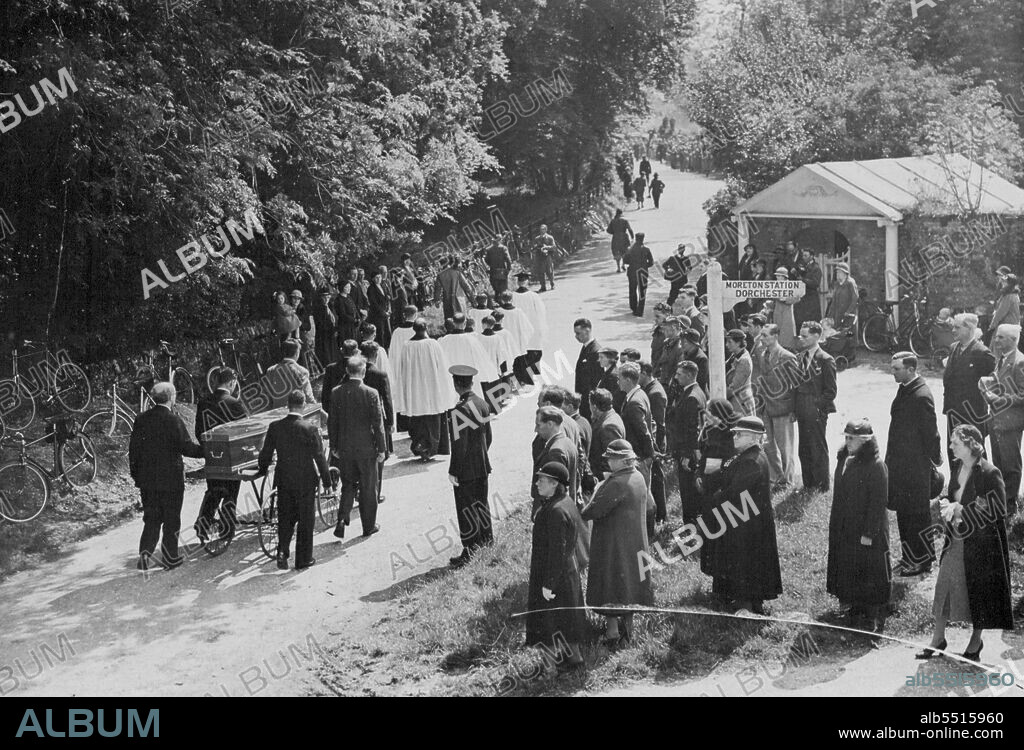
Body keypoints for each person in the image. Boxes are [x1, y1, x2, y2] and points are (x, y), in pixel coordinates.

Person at [917, 425, 1013, 662]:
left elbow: (998, 508)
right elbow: (954, 494)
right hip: (957, 537)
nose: (950, 447)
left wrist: (961, 510)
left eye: (955, 443)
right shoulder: (958, 467)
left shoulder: (990, 473)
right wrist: (947, 502)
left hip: (981, 545)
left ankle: (975, 643)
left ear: (971, 444)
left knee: (978, 593)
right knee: (944, 585)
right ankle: (938, 639)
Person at [582, 439, 654, 648]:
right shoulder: (638, 477)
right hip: (635, 542)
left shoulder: (616, 483)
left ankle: (613, 631)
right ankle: (628, 629)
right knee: (630, 583)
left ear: (622, 461)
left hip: (612, 544)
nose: (608, 463)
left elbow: (592, 511)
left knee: (610, 584)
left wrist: (595, 492)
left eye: (611, 459)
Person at [709, 416, 782, 614]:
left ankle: (745, 604)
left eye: (739, 434)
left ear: (753, 438)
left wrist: (717, 497)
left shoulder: (751, 462)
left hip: (747, 523)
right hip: (748, 519)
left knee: (745, 561)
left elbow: (734, 492)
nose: (734, 437)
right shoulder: (752, 456)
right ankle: (750, 601)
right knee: (749, 562)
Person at [129, 382, 205, 571]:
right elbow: (186, 447)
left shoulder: (141, 420)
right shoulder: (174, 420)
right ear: (172, 397)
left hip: (147, 481)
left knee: (151, 518)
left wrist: (137, 475)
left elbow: (134, 451)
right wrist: (207, 451)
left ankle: (145, 556)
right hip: (171, 480)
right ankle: (170, 558)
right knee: (171, 519)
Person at [827, 419, 890, 632]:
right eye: (846, 438)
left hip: (867, 530)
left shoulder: (876, 465)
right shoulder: (845, 459)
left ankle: (872, 614)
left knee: (870, 571)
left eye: (852, 438)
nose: (848, 442)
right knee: (851, 566)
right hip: (847, 526)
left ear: (865, 441)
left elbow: (878, 503)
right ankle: (855, 606)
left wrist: (869, 533)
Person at [258, 390, 332, 569]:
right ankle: (303, 559)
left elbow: (265, 454)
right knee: (306, 520)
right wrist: (328, 481)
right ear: (304, 405)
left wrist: (262, 468)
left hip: (283, 479)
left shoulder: (275, 427)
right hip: (306, 480)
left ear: (287, 406)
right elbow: (319, 457)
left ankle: (282, 551)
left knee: (286, 517)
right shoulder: (310, 428)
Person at [526, 461, 587, 673]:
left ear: (554, 484)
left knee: (548, 621)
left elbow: (556, 550)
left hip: (553, 573)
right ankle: (576, 659)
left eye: (541, 480)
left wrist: (548, 584)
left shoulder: (554, 512)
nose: (537, 483)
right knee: (569, 618)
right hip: (568, 571)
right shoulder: (565, 502)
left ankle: (549, 669)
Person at [886, 351, 942, 577]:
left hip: (915, 468)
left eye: (896, 369)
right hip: (901, 466)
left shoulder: (921, 395)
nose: (893, 372)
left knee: (918, 515)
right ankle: (909, 556)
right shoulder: (906, 388)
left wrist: (934, 460)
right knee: (904, 512)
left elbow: (932, 434)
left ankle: (923, 560)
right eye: (892, 368)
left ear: (910, 369)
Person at [329, 355, 387, 538]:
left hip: (345, 447)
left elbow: (332, 422)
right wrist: (382, 448)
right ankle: (368, 526)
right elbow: (378, 425)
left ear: (347, 371)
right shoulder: (371, 393)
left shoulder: (336, 392)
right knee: (369, 487)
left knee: (348, 485)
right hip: (366, 448)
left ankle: (341, 518)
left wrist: (334, 445)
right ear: (363, 372)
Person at [447, 365, 494, 568]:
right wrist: (481, 455)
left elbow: (460, 445)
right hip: (482, 465)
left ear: (456, 384)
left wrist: (454, 470)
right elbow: (489, 437)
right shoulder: (482, 403)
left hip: (466, 469)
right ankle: (486, 541)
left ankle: (470, 549)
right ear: (471, 383)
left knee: (466, 509)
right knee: (482, 504)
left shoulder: (460, 409)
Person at [193, 367, 247, 542]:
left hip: (212, 455)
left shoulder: (203, 402)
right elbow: (245, 430)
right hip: (231, 456)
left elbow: (198, 431)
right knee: (231, 493)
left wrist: (208, 447)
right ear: (231, 383)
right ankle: (226, 531)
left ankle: (203, 523)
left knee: (213, 490)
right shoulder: (234, 403)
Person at [395, 319, 456, 460]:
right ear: (426, 328)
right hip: (431, 387)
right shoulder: (433, 344)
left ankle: (421, 447)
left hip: (414, 389)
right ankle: (430, 448)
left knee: (418, 419)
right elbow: (442, 366)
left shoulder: (407, 346)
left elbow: (403, 369)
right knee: (433, 419)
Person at [942, 313, 995, 468]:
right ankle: (956, 490)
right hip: (953, 412)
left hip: (972, 415)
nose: (953, 330)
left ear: (970, 329)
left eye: (957, 327)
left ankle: (978, 490)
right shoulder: (953, 348)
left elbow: (994, 383)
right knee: (954, 450)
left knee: (973, 453)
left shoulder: (982, 353)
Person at [984, 324, 1024, 516]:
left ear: (1013, 340)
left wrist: (999, 399)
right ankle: (1000, 501)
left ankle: (1010, 504)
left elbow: (1023, 395)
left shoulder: (1019, 362)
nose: (996, 340)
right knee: (998, 462)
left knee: (1010, 465)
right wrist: (988, 382)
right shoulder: (1001, 359)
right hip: (996, 420)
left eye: (1001, 338)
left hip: (1010, 423)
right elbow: (1000, 380)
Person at [794, 321, 837, 491]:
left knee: (817, 447)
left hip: (816, 410)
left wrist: (816, 406)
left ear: (816, 336)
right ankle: (808, 483)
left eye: (805, 336)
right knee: (803, 447)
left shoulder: (826, 359)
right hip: (802, 409)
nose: (801, 339)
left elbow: (831, 391)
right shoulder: (802, 356)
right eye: (800, 335)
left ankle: (822, 486)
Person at [756, 324, 798, 489]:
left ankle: (787, 480)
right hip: (766, 407)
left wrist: (793, 410)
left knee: (785, 446)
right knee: (769, 445)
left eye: (765, 335)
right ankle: (776, 477)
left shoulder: (787, 357)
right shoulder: (762, 354)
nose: (762, 339)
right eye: (761, 335)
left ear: (775, 337)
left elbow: (795, 386)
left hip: (783, 408)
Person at [697, 399, 736, 573]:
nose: (706, 415)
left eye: (710, 412)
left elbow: (732, 465)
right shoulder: (710, 430)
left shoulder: (732, 435)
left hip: (721, 490)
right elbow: (703, 456)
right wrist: (699, 474)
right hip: (707, 487)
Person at [667, 361, 706, 525]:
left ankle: (691, 526)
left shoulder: (691, 397)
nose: (676, 377)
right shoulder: (697, 392)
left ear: (690, 376)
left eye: (679, 374)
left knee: (688, 492)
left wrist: (686, 455)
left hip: (688, 454)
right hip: (689, 452)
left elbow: (692, 430)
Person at [360, 340, 394, 502]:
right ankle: (375, 491)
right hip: (376, 417)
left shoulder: (355, 371)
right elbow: (387, 400)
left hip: (359, 418)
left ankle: (361, 489)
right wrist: (391, 421)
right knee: (380, 456)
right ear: (377, 354)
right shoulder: (380, 375)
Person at [439, 313, 499, 399]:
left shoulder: (444, 341)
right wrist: (491, 372)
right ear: (464, 323)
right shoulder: (472, 340)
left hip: (451, 377)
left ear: (453, 323)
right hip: (469, 377)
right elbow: (482, 359)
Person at [639, 361, 668, 523]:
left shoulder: (655, 393)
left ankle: (661, 516)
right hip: (652, 444)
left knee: (656, 480)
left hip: (654, 445)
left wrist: (654, 449)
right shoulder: (649, 389)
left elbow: (658, 424)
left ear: (644, 373)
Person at [512, 272, 548, 381]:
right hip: (533, 325)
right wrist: (541, 326)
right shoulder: (534, 296)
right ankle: (532, 370)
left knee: (523, 350)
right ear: (527, 282)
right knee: (534, 348)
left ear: (518, 282)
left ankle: (523, 374)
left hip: (519, 326)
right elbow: (541, 312)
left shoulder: (513, 296)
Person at [589, 388, 625, 481]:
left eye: (590, 405)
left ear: (594, 407)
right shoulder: (609, 416)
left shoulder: (608, 426)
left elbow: (612, 460)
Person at [266, 339, 315, 405]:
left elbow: (268, 396)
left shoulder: (270, 370)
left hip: (277, 412)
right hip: (297, 412)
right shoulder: (302, 371)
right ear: (297, 353)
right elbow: (309, 398)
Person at [573, 318, 603, 420]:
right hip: (584, 400)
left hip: (589, 403)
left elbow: (596, 381)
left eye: (578, 333)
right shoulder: (586, 347)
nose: (576, 336)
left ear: (587, 331)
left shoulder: (595, 351)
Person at [725, 329, 755, 417]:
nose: (727, 345)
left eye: (730, 342)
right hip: (736, 402)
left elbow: (734, 387)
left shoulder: (744, 361)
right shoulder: (735, 355)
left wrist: (718, 396)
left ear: (738, 343)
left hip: (741, 404)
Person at [624, 232, 655, 317]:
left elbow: (625, 261)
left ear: (636, 238)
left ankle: (634, 308)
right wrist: (645, 266)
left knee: (632, 290)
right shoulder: (646, 249)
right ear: (643, 239)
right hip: (643, 272)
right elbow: (651, 262)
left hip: (632, 272)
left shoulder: (630, 249)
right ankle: (640, 311)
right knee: (642, 292)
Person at [769, 267, 799, 349]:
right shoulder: (776, 286)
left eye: (779, 276)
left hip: (787, 313)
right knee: (777, 333)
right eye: (777, 276)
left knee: (787, 334)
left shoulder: (791, 286)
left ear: (784, 277)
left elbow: (797, 298)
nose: (777, 278)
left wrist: (786, 299)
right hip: (777, 312)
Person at [988, 271, 1021, 346]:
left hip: (1005, 330)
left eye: (1005, 282)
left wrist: (991, 327)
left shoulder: (1009, 296)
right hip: (1011, 329)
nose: (1003, 283)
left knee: (997, 351)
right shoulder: (1014, 295)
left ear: (1010, 284)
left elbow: (1000, 313)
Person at [794, 249, 822, 329]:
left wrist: (803, 280)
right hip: (803, 298)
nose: (803, 257)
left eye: (806, 255)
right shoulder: (804, 266)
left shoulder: (816, 268)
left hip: (811, 299)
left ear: (812, 256)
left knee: (810, 322)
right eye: (803, 255)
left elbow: (816, 283)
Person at [367, 268, 392, 350]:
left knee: (388, 333)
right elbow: (374, 304)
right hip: (377, 315)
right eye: (376, 278)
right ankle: (381, 350)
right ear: (373, 279)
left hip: (385, 314)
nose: (379, 279)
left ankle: (388, 349)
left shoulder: (382, 286)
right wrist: (383, 312)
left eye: (380, 277)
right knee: (380, 334)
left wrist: (388, 310)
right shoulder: (371, 289)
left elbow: (387, 299)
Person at [313, 289, 339, 367]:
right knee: (325, 353)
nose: (326, 299)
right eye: (324, 297)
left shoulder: (330, 306)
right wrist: (330, 329)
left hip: (331, 334)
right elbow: (320, 323)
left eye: (328, 297)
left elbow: (335, 318)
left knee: (332, 352)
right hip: (323, 335)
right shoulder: (319, 308)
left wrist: (335, 329)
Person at [680, 328, 709, 394]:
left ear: (693, 343)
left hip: (696, 394)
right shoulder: (686, 354)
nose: (681, 344)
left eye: (684, 342)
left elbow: (700, 382)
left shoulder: (701, 359)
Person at [533, 224, 559, 292]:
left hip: (547, 256)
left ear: (546, 229)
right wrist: (537, 247)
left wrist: (546, 247)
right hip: (540, 257)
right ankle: (543, 286)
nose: (542, 231)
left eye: (544, 229)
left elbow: (554, 247)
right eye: (541, 229)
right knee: (541, 272)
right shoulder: (537, 238)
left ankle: (552, 284)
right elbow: (534, 247)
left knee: (550, 271)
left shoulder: (550, 237)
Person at [607, 209, 634, 273]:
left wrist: (614, 232)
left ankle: (618, 267)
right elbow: (630, 229)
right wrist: (632, 236)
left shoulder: (613, 221)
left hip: (616, 238)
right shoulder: (625, 221)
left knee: (616, 252)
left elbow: (608, 230)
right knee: (624, 251)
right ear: (621, 214)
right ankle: (623, 264)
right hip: (624, 237)